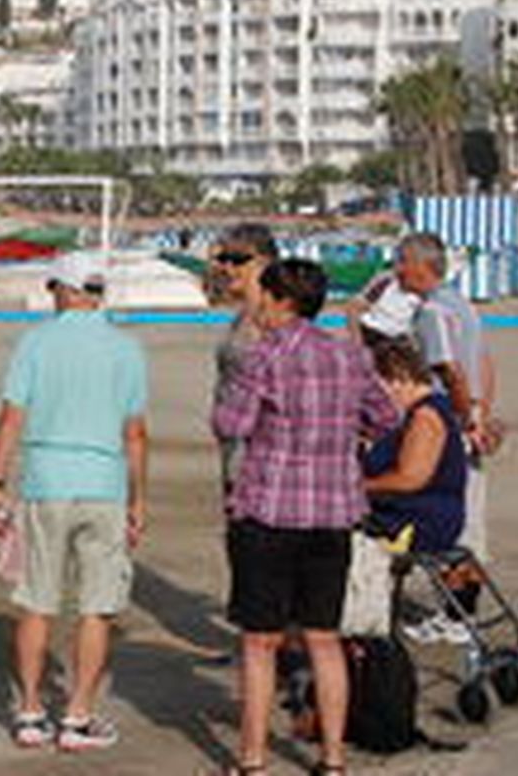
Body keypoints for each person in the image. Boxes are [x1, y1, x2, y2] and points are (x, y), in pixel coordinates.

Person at [212, 259, 400, 776]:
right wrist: (346, 438)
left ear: (280, 301)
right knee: (323, 636)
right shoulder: (350, 355)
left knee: (260, 641)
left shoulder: (263, 355)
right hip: (332, 512)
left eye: (265, 297)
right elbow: (387, 416)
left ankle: (252, 759)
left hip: (269, 510)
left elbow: (231, 423)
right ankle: (333, 759)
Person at [0, 254, 149, 753]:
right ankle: (77, 717)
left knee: (37, 602)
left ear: (66, 290)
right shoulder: (126, 349)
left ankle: (31, 711)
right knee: (97, 606)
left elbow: (11, 418)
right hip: (104, 485)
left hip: (45, 482)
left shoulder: (35, 341)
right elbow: (135, 434)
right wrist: (139, 499)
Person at [393, 232, 504, 632]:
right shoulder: (462, 305)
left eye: (400, 261)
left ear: (419, 265)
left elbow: (449, 370)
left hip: (447, 428)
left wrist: (463, 418)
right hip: (467, 421)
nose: (396, 271)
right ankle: (462, 613)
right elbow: (485, 362)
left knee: (448, 523)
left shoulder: (431, 312)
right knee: (470, 521)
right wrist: (481, 413)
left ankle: (457, 617)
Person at [363, 337, 468, 556]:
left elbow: (410, 478)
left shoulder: (425, 416)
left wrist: (358, 486)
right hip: (413, 511)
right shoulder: (420, 411)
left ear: (398, 379)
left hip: (416, 519)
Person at [206, 224, 278, 502]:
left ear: (264, 262)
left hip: (261, 463)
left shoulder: (271, 317)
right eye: (223, 259)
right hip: (234, 455)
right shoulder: (244, 315)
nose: (227, 268)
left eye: (237, 260)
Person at [344, 269, 422, 352]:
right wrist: (358, 343)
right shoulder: (386, 280)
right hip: (373, 334)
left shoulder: (424, 291)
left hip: (400, 339)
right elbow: (354, 306)